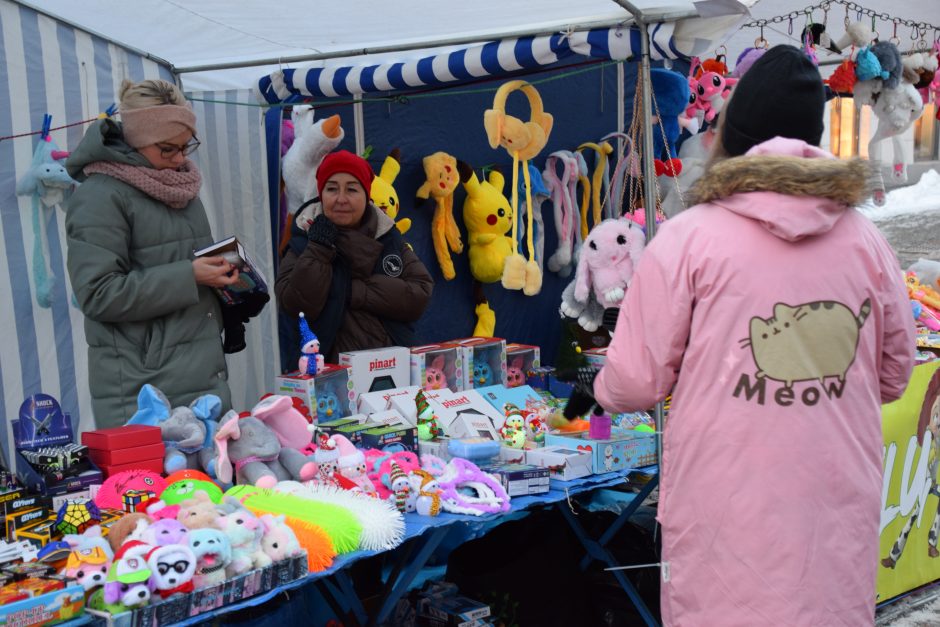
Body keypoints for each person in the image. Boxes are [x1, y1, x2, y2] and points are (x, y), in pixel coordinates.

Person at [590, 45, 915, 625]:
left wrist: (603, 392)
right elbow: (894, 376)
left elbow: (634, 382)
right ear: (814, 138)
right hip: (832, 513)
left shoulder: (688, 238)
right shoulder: (867, 243)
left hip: (724, 513)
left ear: (733, 135)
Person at [66, 79, 237, 428]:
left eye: (184, 147)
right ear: (135, 140)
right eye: (167, 149)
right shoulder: (100, 196)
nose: (178, 160)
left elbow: (183, 265)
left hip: (200, 378)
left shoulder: (178, 187)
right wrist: (188, 276)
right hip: (142, 393)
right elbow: (97, 295)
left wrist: (230, 290)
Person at [276, 150, 433, 366]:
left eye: (351, 189)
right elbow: (295, 305)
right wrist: (318, 250)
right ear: (321, 194)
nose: (341, 199)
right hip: (329, 378)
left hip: (392, 368)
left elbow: (419, 294)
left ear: (366, 195)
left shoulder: (388, 237)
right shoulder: (303, 242)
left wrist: (353, 291)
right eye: (332, 189)